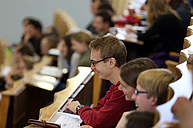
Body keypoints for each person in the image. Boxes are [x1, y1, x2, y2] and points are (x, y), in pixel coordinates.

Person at [65, 35, 134, 128]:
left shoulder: (122, 89)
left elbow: (98, 121)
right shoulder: (116, 85)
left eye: (94, 62)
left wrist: (78, 108)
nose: (92, 67)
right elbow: (98, 110)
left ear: (111, 63)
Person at [127, 0, 186, 68]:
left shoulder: (164, 19)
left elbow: (144, 37)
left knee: (139, 64)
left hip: (172, 56)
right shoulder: (169, 15)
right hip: (174, 53)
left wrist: (137, 33)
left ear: (151, 7)